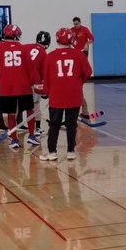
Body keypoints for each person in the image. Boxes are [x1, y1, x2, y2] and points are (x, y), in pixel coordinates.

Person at [0, 25, 40, 150]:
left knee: (11, 113)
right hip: (23, 85)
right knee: (29, 111)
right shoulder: (23, 48)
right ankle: (31, 135)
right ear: (16, 35)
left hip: (7, 86)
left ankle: (14, 139)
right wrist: (36, 82)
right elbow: (31, 68)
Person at [40, 28, 93, 161]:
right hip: (74, 94)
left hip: (56, 95)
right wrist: (78, 83)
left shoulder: (50, 56)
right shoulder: (79, 54)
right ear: (71, 40)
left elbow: (45, 78)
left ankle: (52, 152)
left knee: (54, 124)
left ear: (57, 39)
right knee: (71, 124)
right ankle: (71, 151)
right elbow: (88, 72)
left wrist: (47, 92)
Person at [24, 30, 51, 137]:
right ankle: (37, 128)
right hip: (34, 82)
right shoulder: (44, 53)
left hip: (23, 80)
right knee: (35, 105)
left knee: (21, 105)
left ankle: (16, 126)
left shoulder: (26, 47)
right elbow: (44, 73)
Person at [70, 17, 95, 120]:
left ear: (80, 22)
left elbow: (92, 39)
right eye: (74, 24)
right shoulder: (71, 30)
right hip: (75, 53)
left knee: (78, 89)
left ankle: (84, 112)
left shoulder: (85, 30)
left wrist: (87, 44)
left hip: (83, 52)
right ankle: (82, 112)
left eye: (77, 24)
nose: (76, 25)